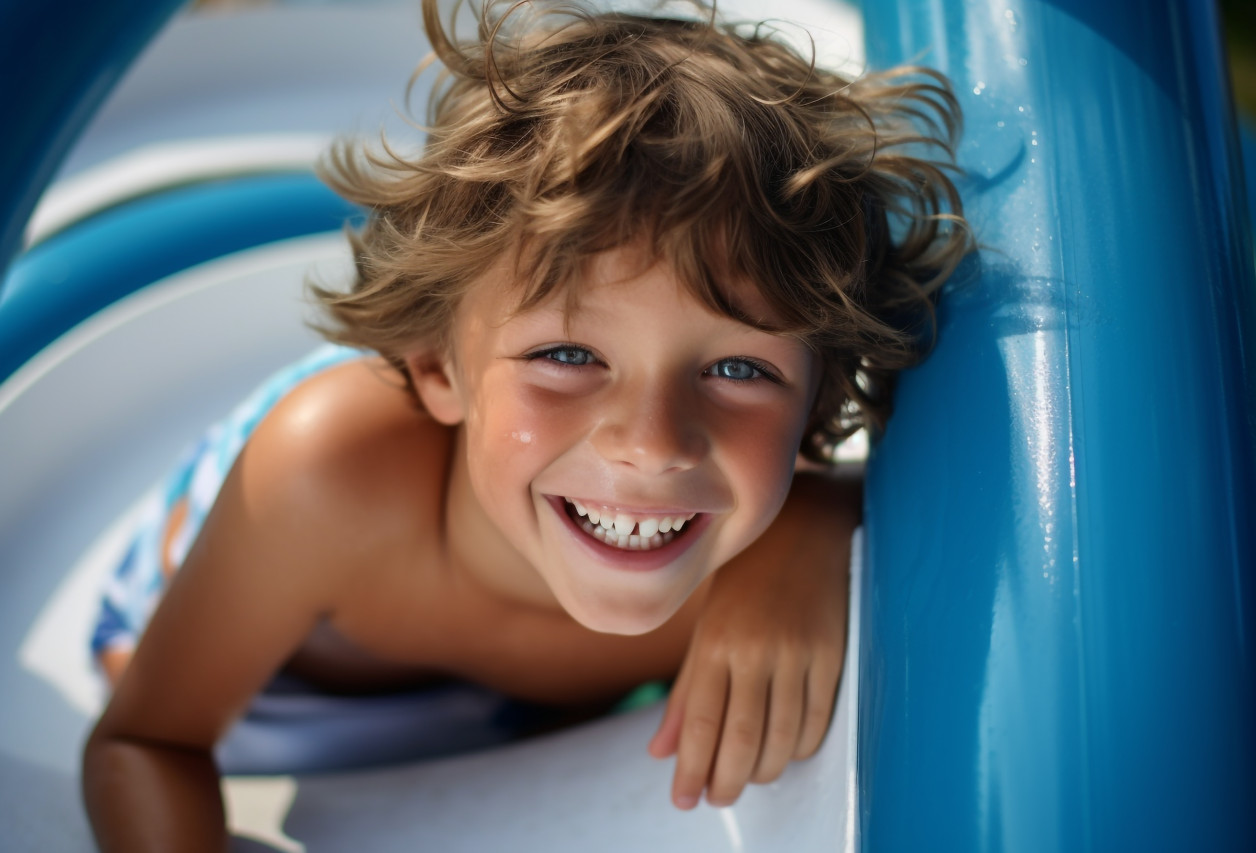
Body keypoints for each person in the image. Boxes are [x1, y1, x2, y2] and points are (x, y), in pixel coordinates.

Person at [82, 1, 971, 848]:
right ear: (439, 368)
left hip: (490, 718)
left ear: (816, 408)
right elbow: (145, 741)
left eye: (740, 369)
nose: (651, 444)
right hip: (260, 672)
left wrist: (816, 526)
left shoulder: (744, 539)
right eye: (570, 356)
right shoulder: (331, 478)